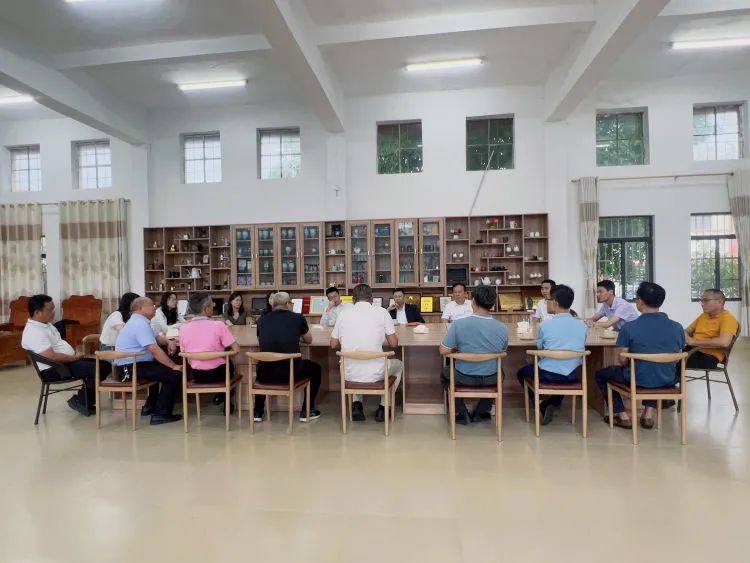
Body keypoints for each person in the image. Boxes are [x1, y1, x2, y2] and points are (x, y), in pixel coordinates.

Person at [595, 282, 684, 429]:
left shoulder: (629, 328)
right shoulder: (677, 327)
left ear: (640, 302)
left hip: (637, 378)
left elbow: (623, 360)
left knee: (601, 374)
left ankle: (622, 416)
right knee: (655, 369)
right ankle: (648, 414)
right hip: (667, 379)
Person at [21, 294, 111, 416]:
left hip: (64, 363)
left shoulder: (46, 324)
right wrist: (73, 358)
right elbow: (51, 356)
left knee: (104, 365)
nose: (53, 312)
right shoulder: (34, 331)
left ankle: (82, 401)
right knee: (99, 368)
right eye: (50, 309)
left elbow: (58, 345)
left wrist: (74, 354)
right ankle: (81, 401)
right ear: (37, 312)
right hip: (54, 369)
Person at [331, 283, 402, 422]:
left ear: (353, 299)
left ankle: (356, 405)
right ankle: (383, 407)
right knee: (399, 365)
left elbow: (333, 344)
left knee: (355, 365)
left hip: (348, 373)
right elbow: (394, 344)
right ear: (372, 299)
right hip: (376, 371)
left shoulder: (343, 314)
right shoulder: (382, 312)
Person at [517, 284, 587, 425]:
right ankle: (552, 403)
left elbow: (540, 349)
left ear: (554, 302)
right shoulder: (582, 325)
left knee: (521, 373)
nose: (547, 302)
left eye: (548, 300)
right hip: (572, 375)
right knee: (563, 376)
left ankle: (540, 402)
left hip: (547, 374)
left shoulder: (545, 325)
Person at [438, 284, 508, 425]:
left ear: (473, 302)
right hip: (491, 377)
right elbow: (502, 350)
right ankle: (482, 411)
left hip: (463, 377)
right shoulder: (503, 327)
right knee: (501, 373)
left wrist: (457, 350)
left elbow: (443, 351)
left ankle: (461, 412)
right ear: (493, 304)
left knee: (446, 373)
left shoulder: (458, 324)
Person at [254, 291, 321, 422]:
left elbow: (260, 340)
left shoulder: (261, 320)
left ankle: (257, 412)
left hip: (265, 374)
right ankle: (307, 411)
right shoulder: (298, 318)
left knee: (262, 365)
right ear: (287, 304)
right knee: (316, 368)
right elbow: (308, 340)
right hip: (290, 373)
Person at [115, 297, 183, 425]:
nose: (155, 307)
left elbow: (156, 339)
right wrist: (173, 365)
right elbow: (154, 349)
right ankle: (160, 414)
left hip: (134, 365)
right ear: (141, 308)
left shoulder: (139, 321)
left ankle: (150, 407)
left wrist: (168, 341)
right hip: (129, 369)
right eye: (151, 305)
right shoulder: (139, 324)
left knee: (160, 369)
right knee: (174, 374)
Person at [180, 292, 240, 411]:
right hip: (219, 374)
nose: (213, 306)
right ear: (206, 308)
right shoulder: (219, 325)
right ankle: (226, 398)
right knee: (230, 366)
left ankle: (223, 396)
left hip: (197, 375)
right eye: (212, 304)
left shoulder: (183, 329)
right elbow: (236, 349)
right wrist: (224, 353)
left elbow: (184, 352)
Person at [682, 288, 739, 372]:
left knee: (671, 361)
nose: (702, 304)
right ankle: (674, 379)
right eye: (702, 301)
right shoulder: (704, 316)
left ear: (720, 302)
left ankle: (673, 379)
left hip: (709, 357)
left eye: (706, 300)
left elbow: (724, 342)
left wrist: (693, 342)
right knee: (666, 354)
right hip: (693, 350)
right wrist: (687, 338)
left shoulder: (728, 318)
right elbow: (686, 331)